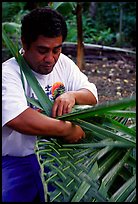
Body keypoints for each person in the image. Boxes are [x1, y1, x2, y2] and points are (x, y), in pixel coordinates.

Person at [2, 7, 98, 202]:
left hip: (58, 156)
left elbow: (91, 95)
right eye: (42, 50)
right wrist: (67, 130)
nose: (50, 58)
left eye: (57, 49)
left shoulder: (63, 63)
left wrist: (72, 95)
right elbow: (18, 118)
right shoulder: (8, 73)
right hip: (16, 160)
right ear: (25, 44)